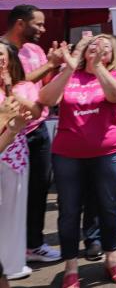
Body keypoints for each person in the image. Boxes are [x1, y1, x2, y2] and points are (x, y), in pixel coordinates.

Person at [39, 35, 116, 286]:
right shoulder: (70, 74)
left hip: (107, 152)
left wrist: (98, 66)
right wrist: (70, 66)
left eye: (104, 48)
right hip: (68, 154)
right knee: (68, 211)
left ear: (112, 56)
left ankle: (112, 259)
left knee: (109, 207)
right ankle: (70, 267)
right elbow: (46, 100)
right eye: (92, 45)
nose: (97, 49)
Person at [1, 5, 62, 264]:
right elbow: (15, 82)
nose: (43, 29)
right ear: (19, 24)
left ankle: (33, 245)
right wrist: (51, 64)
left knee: (37, 190)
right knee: (9, 198)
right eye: (38, 24)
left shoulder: (36, 49)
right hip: (10, 135)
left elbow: (41, 86)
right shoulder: (2, 51)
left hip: (37, 129)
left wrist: (58, 69)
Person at [80, 37, 116, 256]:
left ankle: (112, 232)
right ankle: (93, 237)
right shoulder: (102, 75)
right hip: (103, 131)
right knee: (95, 188)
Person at [0, 41, 38, 282]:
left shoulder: (16, 88)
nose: (0, 60)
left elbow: (34, 112)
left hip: (14, 155)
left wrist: (10, 87)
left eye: (2, 55)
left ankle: (10, 264)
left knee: (13, 212)